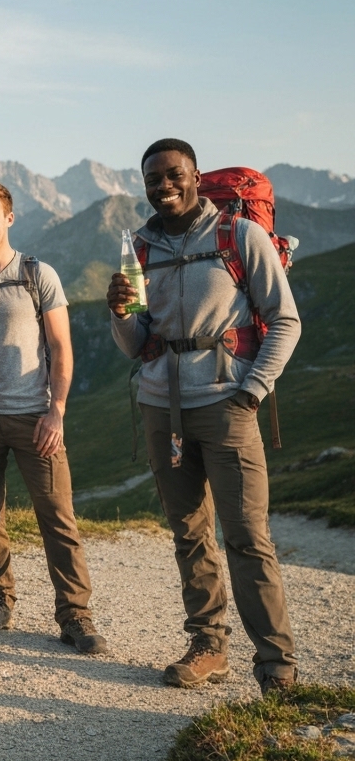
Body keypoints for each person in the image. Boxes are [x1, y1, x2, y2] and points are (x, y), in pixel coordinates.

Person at [107, 138, 300, 693]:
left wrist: (252, 391)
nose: (163, 186)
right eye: (152, 179)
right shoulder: (139, 248)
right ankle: (208, 646)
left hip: (227, 405)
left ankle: (276, 666)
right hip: (160, 406)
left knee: (246, 537)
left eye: (173, 175)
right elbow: (135, 342)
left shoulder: (240, 236)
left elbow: (285, 320)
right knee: (188, 533)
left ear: (195, 176)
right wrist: (120, 313)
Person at [0, 178, 107, 654]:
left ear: (9, 218)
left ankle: (75, 615)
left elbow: (61, 348)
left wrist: (57, 412)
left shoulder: (38, 274)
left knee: (57, 516)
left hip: (34, 413)